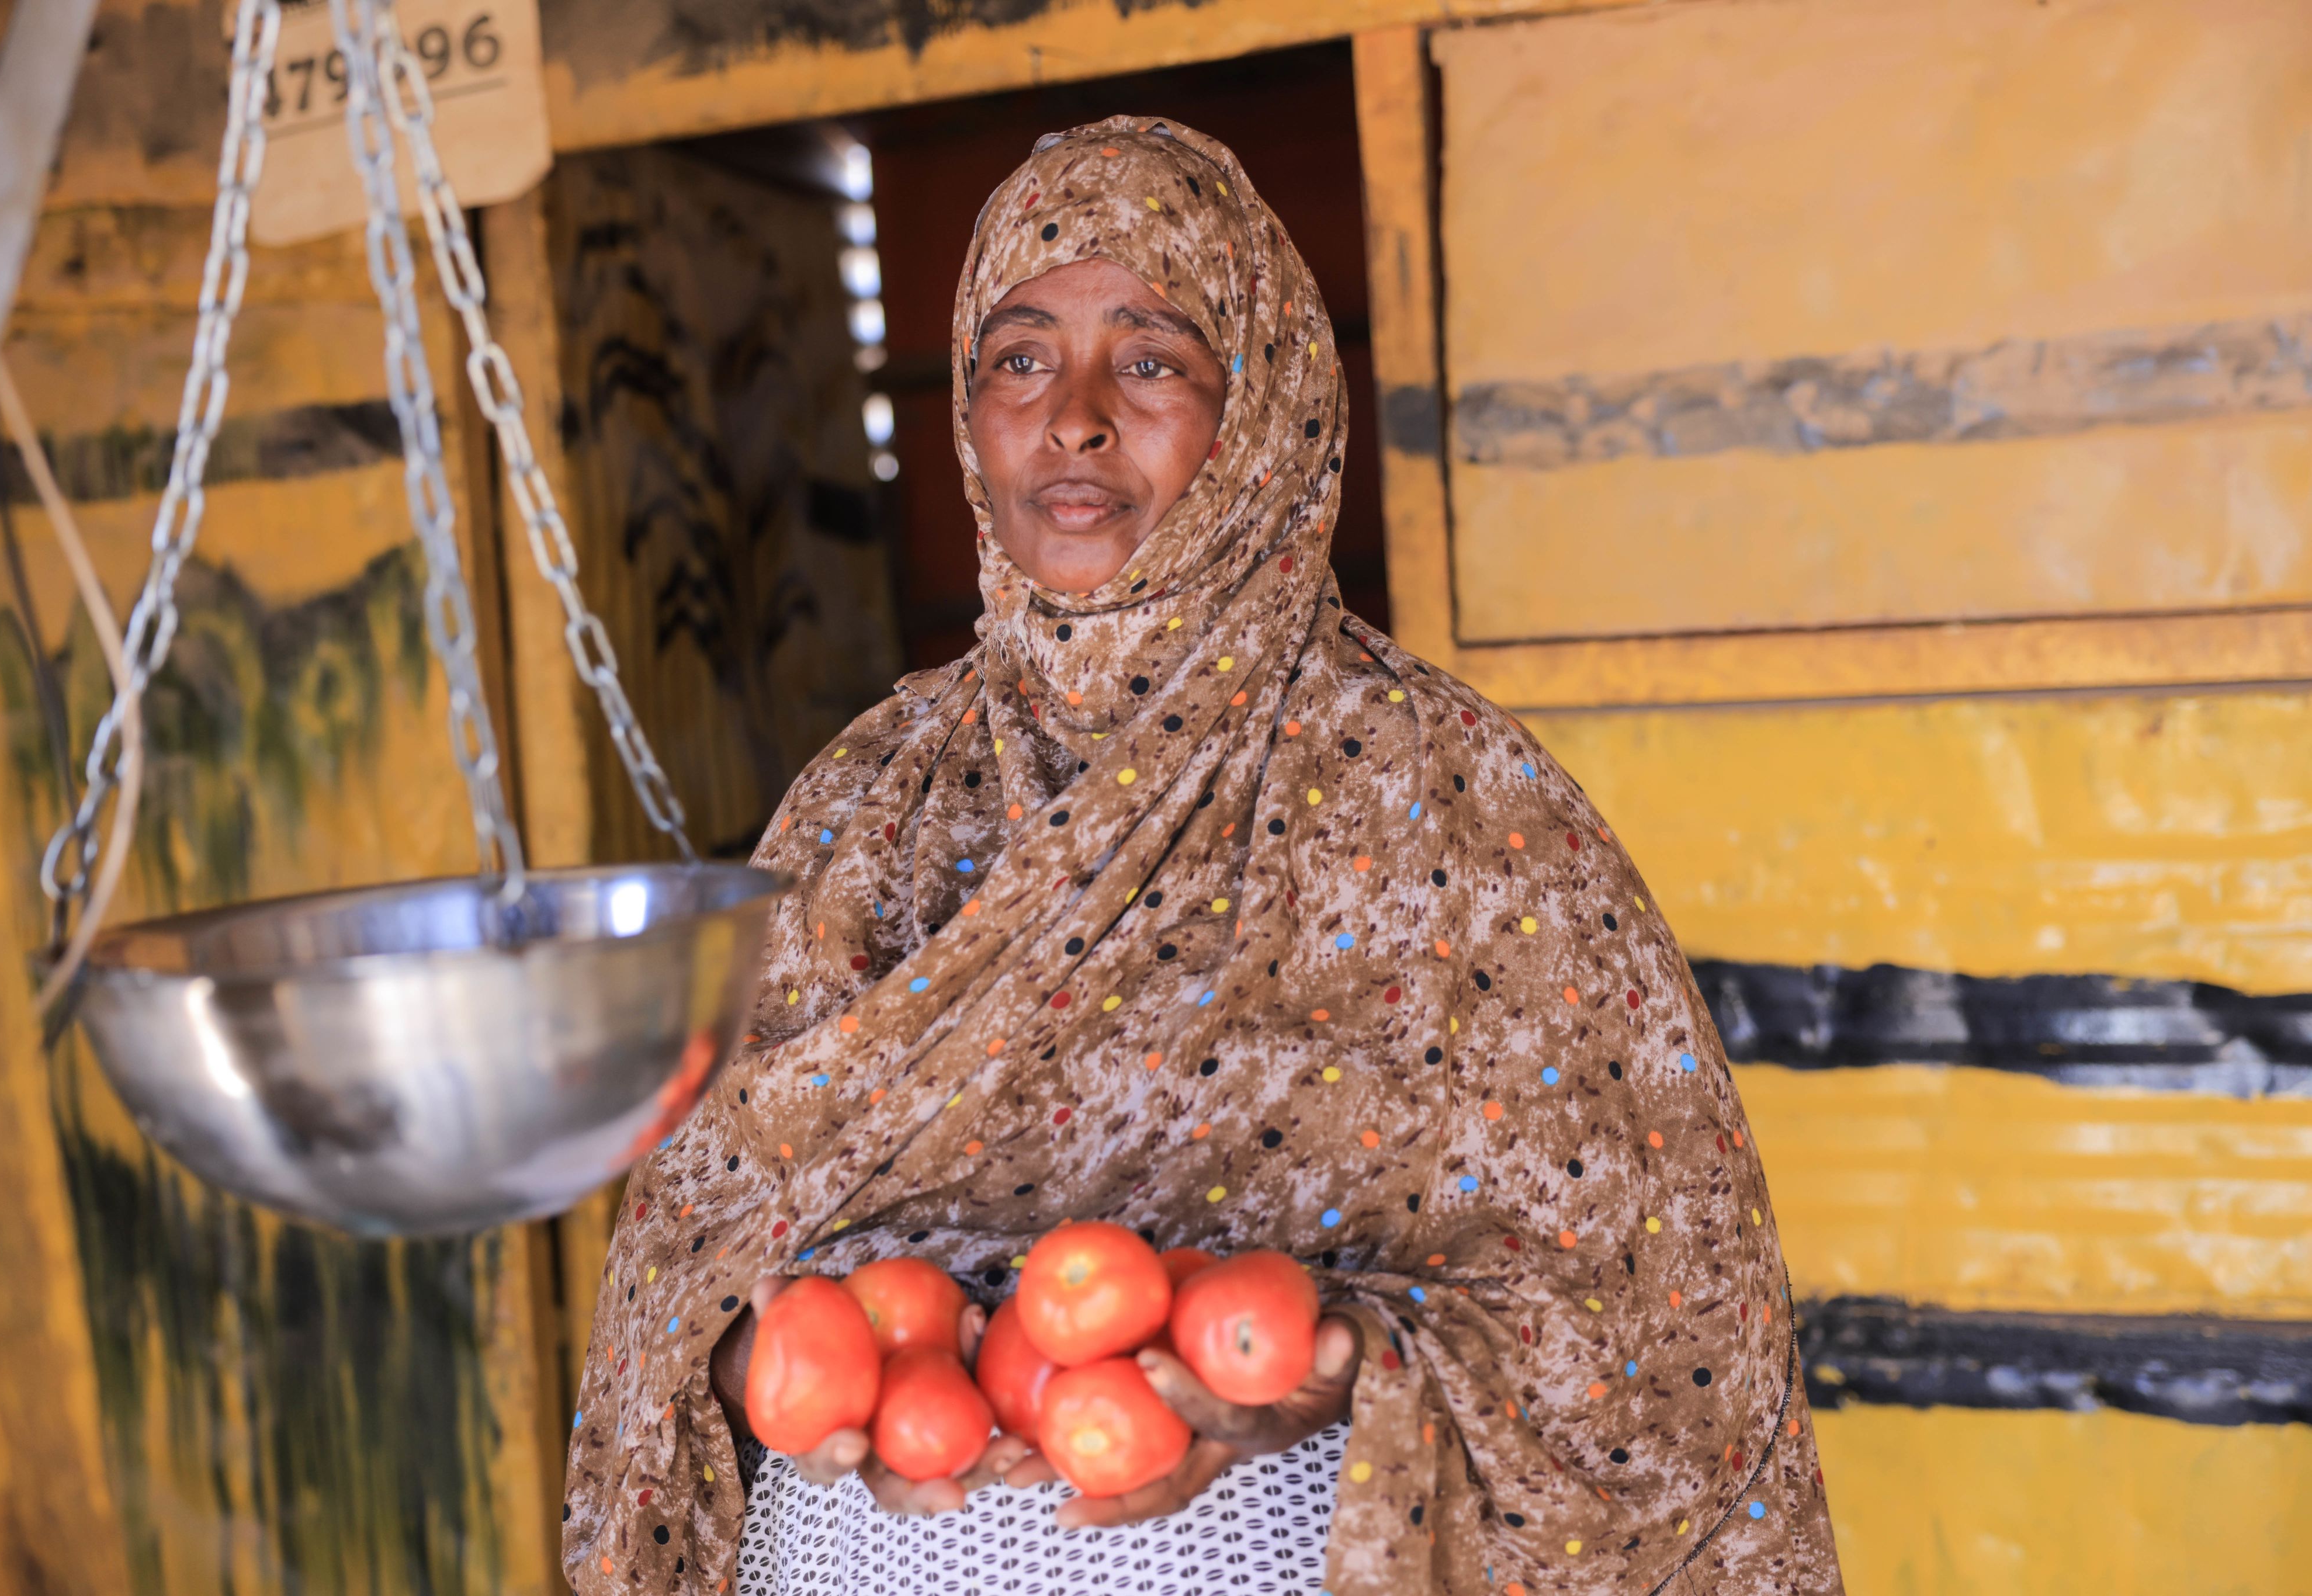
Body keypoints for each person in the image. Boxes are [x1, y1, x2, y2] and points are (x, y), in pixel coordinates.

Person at [563, 116, 1844, 1596]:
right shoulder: (867, 808)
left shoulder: (1450, 800)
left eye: (1153, 358)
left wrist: (1350, 1347)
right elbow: (687, 1254)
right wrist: (777, 1363)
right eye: (1019, 357)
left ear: (1266, 409)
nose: (1076, 418)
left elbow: (1662, 1321)